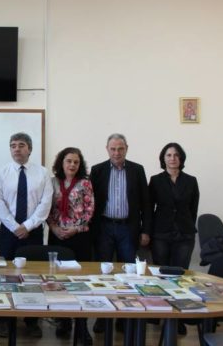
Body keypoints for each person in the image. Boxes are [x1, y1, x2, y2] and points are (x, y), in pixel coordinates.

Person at [0, 132, 52, 338]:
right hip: (8, 232)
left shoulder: (43, 173)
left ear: (30, 149)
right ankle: (3, 319)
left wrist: (27, 226)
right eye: (13, 145)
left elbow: (45, 204)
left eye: (21, 145)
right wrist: (15, 227)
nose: (17, 148)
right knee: (5, 275)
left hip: (33, 232)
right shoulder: (1, 173)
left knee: (32, 276)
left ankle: (31, 320)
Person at [89, 133, 151, 334]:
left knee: (128, 273)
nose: (117, 152)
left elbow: (146, 203)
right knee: (103, 273)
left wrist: (145, 230)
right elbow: (90, 201)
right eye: (113, 149)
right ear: (107, 149)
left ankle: (124, 316)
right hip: (104, 228)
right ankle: (102, 317)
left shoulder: (137, 170)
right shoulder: (97, 170)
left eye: (120, 149)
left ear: (127, 149)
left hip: (128, 228)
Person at [149, 142, 200, 336]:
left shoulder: (191, 181)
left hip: (184, 235)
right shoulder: (155, 180)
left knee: (179, 277)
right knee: (160, 275)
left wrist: (186, 227)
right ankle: (158, 311)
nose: (172, 158)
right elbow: (149, 209)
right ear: (163, 158)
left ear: (181, 158)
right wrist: (148, 231)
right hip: (161, 233)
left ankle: (177, 318)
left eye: (176, 155)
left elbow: (193, 209)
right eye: (169, 155)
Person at [46, 147, 94, 343]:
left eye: (76, 162)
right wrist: (54, 228)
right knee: (59, 280)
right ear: (61, 163)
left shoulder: (85, 183)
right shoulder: (52, 182)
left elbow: (89, 210)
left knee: (79, 282)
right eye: (69, 161)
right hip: (57, 235)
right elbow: (47, 208)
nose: (72, 165)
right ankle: (64, 321)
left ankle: (82, 327)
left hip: (79, 236)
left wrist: (75, 228)